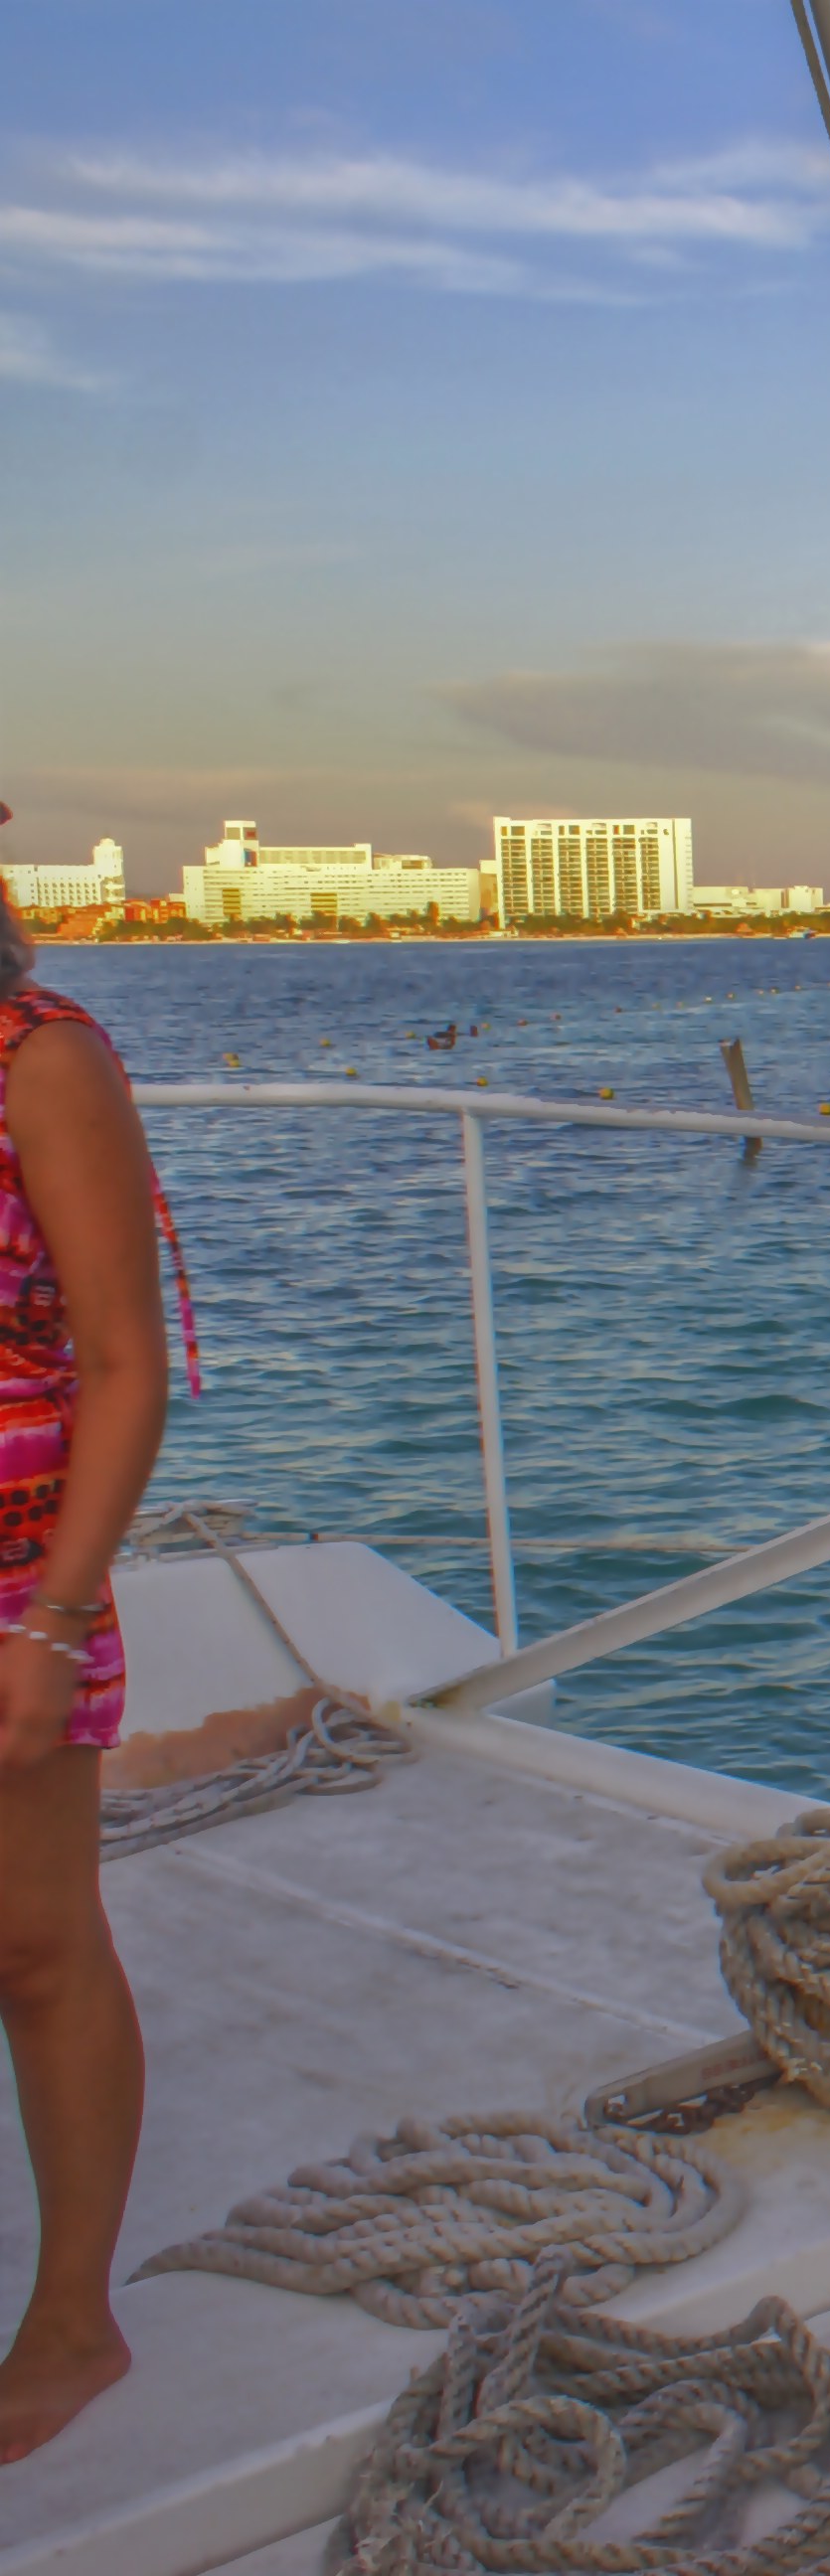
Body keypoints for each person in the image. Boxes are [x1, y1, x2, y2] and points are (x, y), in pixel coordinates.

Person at [0, 857, 166, 2461]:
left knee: (36, 1950)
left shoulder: (40, 1057)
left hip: (10, 1582)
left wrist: (52, 1622)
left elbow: (123, 1361)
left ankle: (71, 2321)